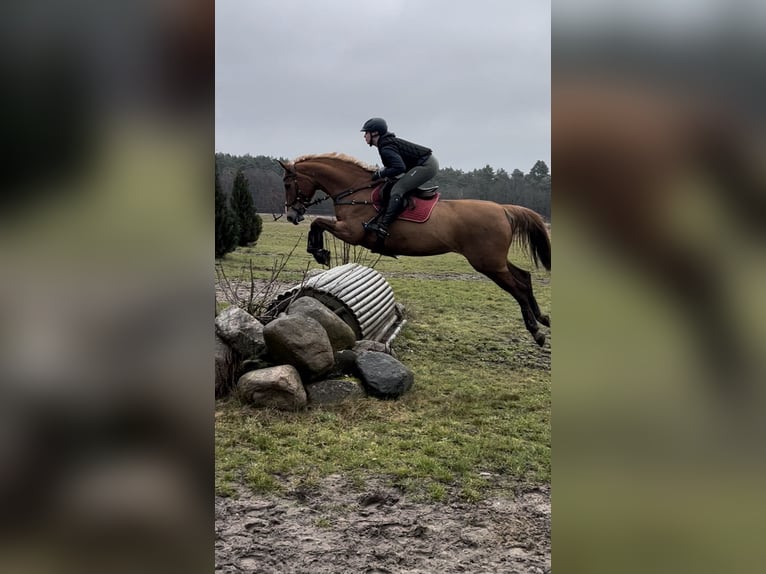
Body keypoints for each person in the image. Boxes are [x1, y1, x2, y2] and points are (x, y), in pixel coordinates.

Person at [360, 117, 439, 239]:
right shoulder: (384, 144)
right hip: (419, 164)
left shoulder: (385, 147)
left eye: (366, 133)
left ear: (375, 133)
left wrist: (381, 174)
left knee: (398, 189)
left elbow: (399, 168)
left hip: (427, 165)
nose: (364, 136)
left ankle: (383, 226)